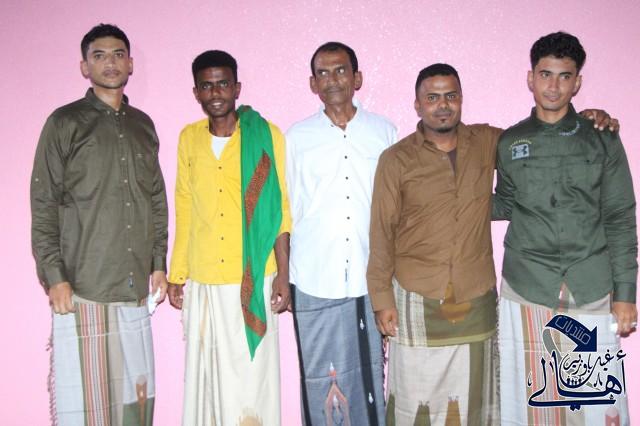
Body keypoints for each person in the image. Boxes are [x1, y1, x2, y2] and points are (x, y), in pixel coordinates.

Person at [368, 62, 619, 426]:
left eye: (451, 96)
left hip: (475, 301)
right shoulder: (396, 159)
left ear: (461, 99)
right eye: (432, 98)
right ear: (417, 105)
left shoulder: (488, 141)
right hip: (416, 299)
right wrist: (381, 299)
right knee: (414, 400)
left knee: (477, 400)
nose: (443, 105)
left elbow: (538, 137)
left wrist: (585, 121)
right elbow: (381, 232)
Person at [495, 31, 636, 425]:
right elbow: (504, 203)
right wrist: (448, 197)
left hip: (590, 285)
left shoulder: (602, 139)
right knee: (533, 402)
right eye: (545, 74)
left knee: (596, 403)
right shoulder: (510, 141)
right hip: (526, 286)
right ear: (530, 78)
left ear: (577, 82)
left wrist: (626, 294)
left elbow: (620, 217)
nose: (553, 86)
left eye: (564, 76)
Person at [30, 23, 168, 425]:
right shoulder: (64, 123)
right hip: (83, 286)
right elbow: (44, 202)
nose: (111, 62)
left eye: (118, 54)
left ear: (130, 64)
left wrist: (158, 263)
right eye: (100, 55)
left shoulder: (143, 125)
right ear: (84, 66)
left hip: (133, 286)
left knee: (134, 404)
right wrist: (54, 276)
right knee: (88, 406)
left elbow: (155, 198)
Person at [167, 50, 291, 425]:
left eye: (223, 83)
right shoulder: (189, 138)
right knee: (210, 381)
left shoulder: (264, 134)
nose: (215, 92)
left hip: (253, 277)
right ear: (196, 92)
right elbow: (185, 207)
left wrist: (284, 274)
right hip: (205, 277)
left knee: (253, 380)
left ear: (237, 88)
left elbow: (279, 209)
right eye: (206, 85)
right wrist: (177, 273)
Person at [286, 41, 397, 425]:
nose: (332, 80)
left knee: (371, 377)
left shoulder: (384, 132)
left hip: (370, 278)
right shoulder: (296, 138)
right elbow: (287, 210)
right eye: (323, 73)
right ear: (313, 83)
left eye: (340, 70)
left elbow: (396, 208)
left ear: (357, 77)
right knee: (321, 379)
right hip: (315, 277)